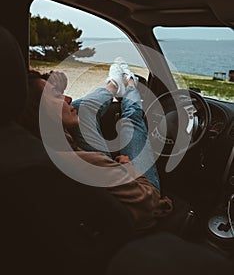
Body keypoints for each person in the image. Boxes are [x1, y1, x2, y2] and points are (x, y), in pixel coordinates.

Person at [17, 58, 173, 233]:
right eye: (58, 96)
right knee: (131, 119)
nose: (68, 97)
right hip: (141, 204)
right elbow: (150, 205)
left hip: (103, 189)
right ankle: (130, 84)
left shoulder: (29, 142)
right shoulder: (90, 162)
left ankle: (113, 85)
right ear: (40, 114)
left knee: (81, 107)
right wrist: (129, 170)